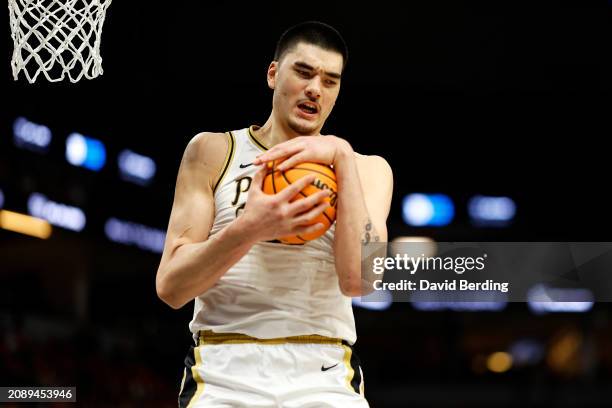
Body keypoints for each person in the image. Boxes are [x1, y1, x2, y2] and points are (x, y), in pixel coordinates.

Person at [156, 21, 393, 408]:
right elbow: (171, 288)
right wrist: (249, 228)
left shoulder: (367, 169)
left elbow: (360, 280)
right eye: (303, 72)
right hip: (224, 367)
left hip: (325, 370)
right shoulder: (214, 151)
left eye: (330, 81)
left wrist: (342, 158)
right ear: (273, 74)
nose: (315, 88)